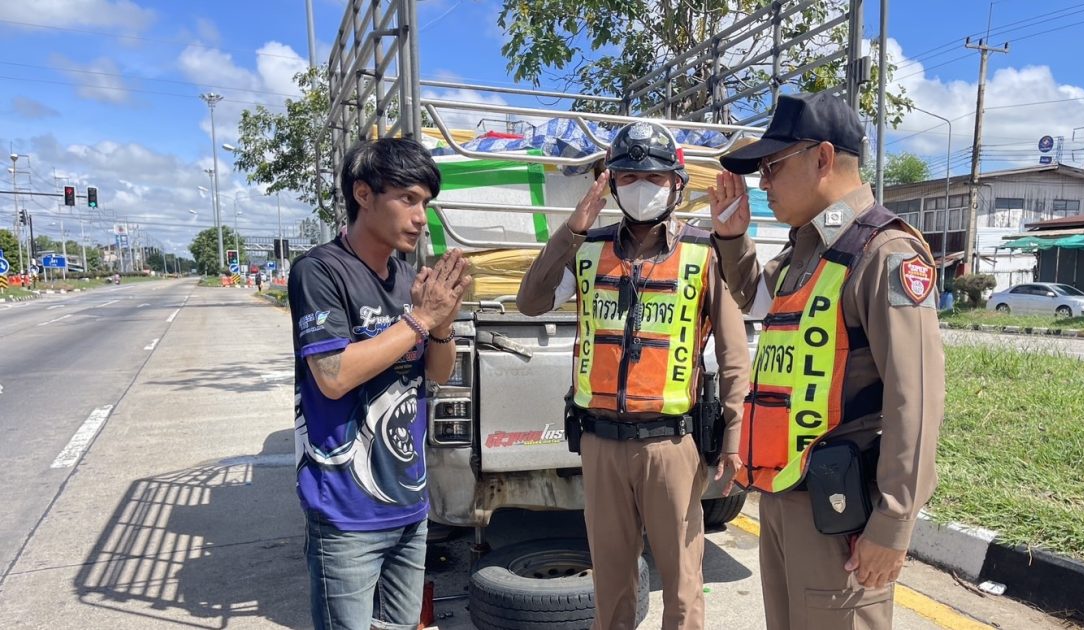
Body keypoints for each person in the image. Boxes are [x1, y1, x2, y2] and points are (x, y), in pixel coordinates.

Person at [706, 92, 945, 630]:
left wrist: (893, 523)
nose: (763, 184)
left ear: (822, 157)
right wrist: (732, 236)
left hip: (841, 514)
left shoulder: (885, 253)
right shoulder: (806, 251)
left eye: (772, 167)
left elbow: (916, 398)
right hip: (785, 497)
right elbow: (755, 298)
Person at [516, 121, 749, 630]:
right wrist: (571, 231)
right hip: (600, 443)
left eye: (656, 177)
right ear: (612, 185)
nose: (642, 187)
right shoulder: (587, 249)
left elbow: (734, 354)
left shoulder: (705, 252)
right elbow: (530, 301)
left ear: (676, 184)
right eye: (628, 177)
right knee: (611, 586)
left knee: (683, 587)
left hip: (671, 446)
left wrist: (734, 437)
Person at [288, 137, 470, 630]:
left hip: (409, 504)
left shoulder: (409, 279)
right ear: (363, 194)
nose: (420, 217)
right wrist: (420, 319)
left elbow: (437, 373)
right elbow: (333, 376)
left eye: (425, 203)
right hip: (345, 510)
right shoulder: (320, 271)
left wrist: (442, 324)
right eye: (408, 199)